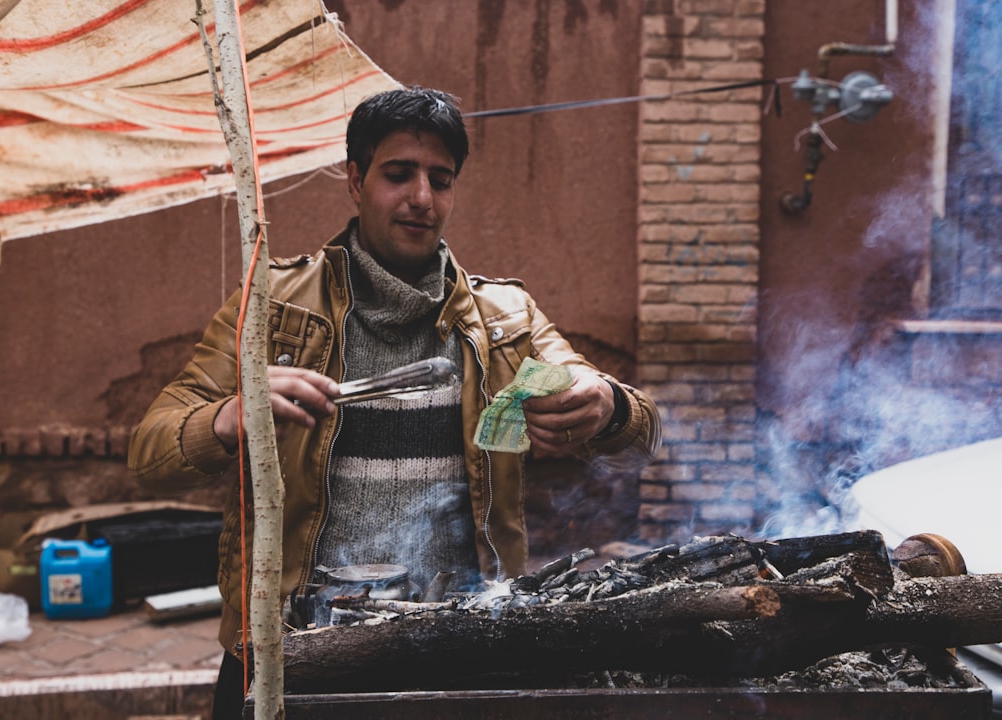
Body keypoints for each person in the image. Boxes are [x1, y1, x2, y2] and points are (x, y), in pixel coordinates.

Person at [127, 86, 661, 718]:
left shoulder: (505, 320)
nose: (421, 198)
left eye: (441, 179)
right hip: (296, 648)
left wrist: (606, 404)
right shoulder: (272, 308)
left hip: (461, 643)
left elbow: (642, 431)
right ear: (356, 181)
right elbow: (150, 449)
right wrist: (226, 418)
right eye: (398, 174)